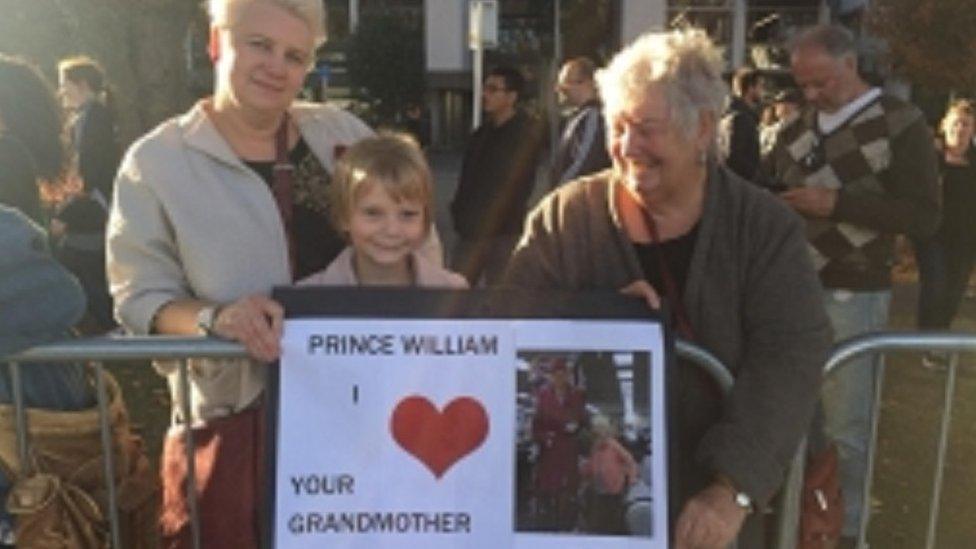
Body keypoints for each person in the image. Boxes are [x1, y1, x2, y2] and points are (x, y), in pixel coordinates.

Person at [107, 1, 444, 546]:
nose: (276, 67)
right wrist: (218, 319)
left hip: (363, 420)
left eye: (295, 55)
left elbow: (419, 234)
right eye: (259, 45)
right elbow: (140, 297)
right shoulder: (157, 163)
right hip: (235, 424)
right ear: (217, 43)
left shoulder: (343, 134)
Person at [505, 28, 830, 548]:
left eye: (648, 129)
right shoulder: (565, 218)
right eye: (618, 126)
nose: (628, 147)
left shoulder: (763, 226)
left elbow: (790, 353)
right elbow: (512, 325)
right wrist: (594, 315)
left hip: (718, 510)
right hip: (597, 494)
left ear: (703, 129)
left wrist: (733, 489)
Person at [761, 24, 940, 545]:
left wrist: (837, 204)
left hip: (854, 291)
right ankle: (795, 526)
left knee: (845, 429)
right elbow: (768, 185)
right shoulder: (794, 127)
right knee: (789, 420)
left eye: (820, 82)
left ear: (849, 64)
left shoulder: (902, 123)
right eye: (803, 84)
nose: (811, 94)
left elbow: (926, 216)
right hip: (788, 289)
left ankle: (846, 532)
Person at [298, 132, 467, 287]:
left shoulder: (454, 292)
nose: (392, 230)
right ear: (344, 217)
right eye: (373, 213)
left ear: (425, 219)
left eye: (408, 214)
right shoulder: (304, 301)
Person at [450, 65, 545, 286]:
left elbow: (519, 186)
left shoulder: (524, 135)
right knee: (456, 292)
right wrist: (459, 211)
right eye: (485, 88)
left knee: (500, 298)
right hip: (469, 231)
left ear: (512, 97)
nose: (485, 95)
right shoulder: (480, 134)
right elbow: (467, 180)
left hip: (503, 233)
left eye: (493, 89)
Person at [913, 99, 976, 368]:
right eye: (956, 123)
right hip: (932, 234)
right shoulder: (931, 159)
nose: (960, 130)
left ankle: (938, 339)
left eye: (966, 125)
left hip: (965, 237)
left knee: (954, 289)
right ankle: (928, 343)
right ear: (944, 125)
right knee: (936, 284)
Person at [58, 55, 121, 205]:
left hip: (95, 198)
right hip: (88, 195)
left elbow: (94, 164)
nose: (61, 91)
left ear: (82, 85)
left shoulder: (96, 117)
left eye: (64, 85)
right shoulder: (84, 117)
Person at [531, 358, 586, 532]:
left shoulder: (577, 395)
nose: (560, 378)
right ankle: (549, 523)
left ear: (568, 375)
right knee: (550, 488)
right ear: (551, 376)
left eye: (563, 374)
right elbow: (536, 424)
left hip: (569, 448)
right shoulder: (542, 395)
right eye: (556, 374)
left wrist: (577, 426)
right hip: (550, 449)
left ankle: (567, 525)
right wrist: (544, 437)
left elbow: (584, 420)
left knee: (568, 489)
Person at [550, 57, 611, 188]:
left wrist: (561, 190)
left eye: (565, 83)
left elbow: (583, 161)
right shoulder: (578, 117)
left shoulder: (593, 116)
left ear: (587, 83)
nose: (560, 89)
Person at [581, 414, 638, 535]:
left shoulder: (614, 445)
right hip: (599, 487)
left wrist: (632, 479)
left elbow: (630, 461)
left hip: (615, 488)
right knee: (600, 516)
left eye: (599, 429)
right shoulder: (595, 446)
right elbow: (592, 464)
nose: (596, 432)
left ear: (605, 430)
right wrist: (584, 472)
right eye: (595, 430)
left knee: (613, 516)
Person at [718, 67, 762, 181]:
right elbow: (735, 158)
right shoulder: (740, 118)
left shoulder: (728, 116)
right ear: (751, 88)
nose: (762, 91)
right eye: (760, 86)